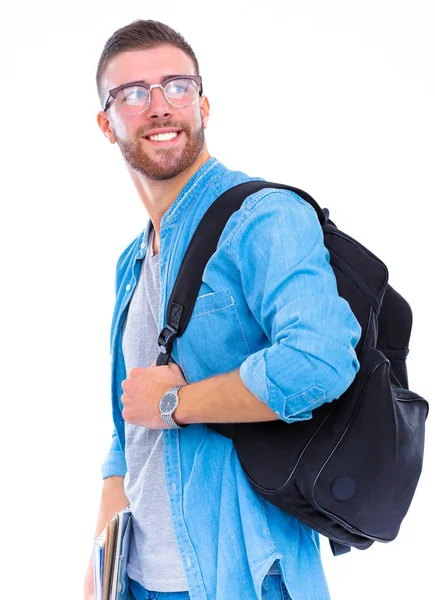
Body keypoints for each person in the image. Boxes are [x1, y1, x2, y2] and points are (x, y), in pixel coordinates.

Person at [84, 19, 362, 600]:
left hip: (241, 576)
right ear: (107, 124)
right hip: (135, 580)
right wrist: (97, 578)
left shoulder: (262, 216)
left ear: (203, 102)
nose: (159, 106)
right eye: (132, 93)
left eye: (176, 86)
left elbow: (321, 359)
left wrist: (177, 401)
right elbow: (126, 431)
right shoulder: (131, 263)